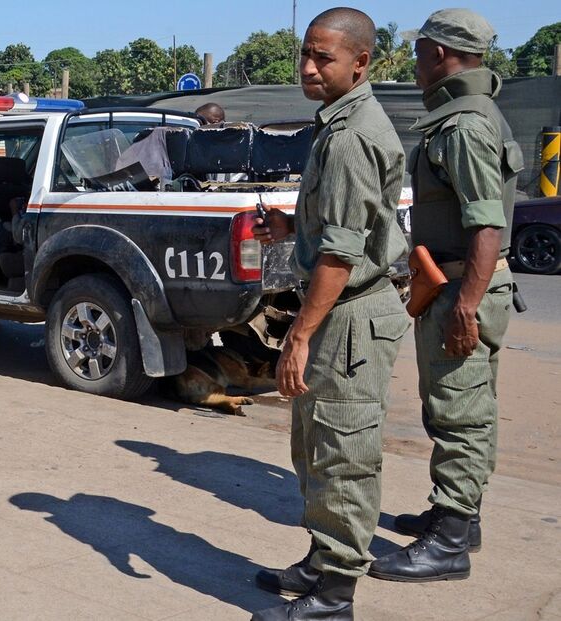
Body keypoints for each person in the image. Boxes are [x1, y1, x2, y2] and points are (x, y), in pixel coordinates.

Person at [249, 8, 410, 620]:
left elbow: (343, 258)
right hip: (342, 312)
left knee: (343, 455)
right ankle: (322, 560)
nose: (310, 68)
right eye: (307, 55)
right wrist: (293, 227)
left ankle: (336, 593)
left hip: (349, 319)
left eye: (326, 58)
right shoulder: (337, 124)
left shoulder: (350, 136)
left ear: (360, 63)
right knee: (315, 447)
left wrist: (299, 335)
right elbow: (346, 227)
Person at [368, 9, 521, 583]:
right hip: (458, 282)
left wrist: (465, 305)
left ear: (440, 55)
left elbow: (486, 225)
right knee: (463, 406)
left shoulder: (463, 126)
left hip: (463, 285)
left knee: (458, 413)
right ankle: (458, 517)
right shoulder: (468, 115)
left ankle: (451, 540)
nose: (414, 61)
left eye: (419, 51)